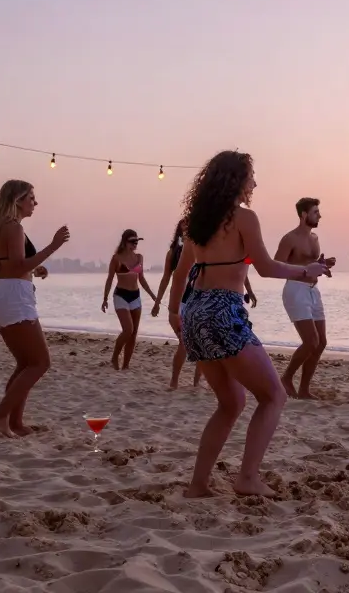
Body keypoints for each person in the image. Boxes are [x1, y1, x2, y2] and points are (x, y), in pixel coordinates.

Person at [168, 150, 327, 498]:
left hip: (195, 311)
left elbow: (180, 274)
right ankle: (248, 478)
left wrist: (174, 314)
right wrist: (306, 271)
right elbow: (267, 267)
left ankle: (198, 485)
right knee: (274, 396)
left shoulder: (196, 221)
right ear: (237, 181)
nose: (254, 182)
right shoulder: (243, 218)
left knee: (231, 403)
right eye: (251, 176)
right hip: (224, 310)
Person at [0, 179, 70, 438]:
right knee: (40, 362)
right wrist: (54, 246)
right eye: (31, 197)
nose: (35, 202)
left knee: (25, 362)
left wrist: (34, 269)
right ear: (17, 200)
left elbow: (14, 265)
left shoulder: (4, 227)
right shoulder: (14, 228)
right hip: (13, 298)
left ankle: (15, 423)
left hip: (3, 294)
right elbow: (18, 266)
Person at [276, 197, 336, 399]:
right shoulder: (289, 238)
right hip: (295, 290)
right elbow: (277, 266)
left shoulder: (315, 238)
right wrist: (305, 270)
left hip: (313, 290)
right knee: (310, 341)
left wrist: (323, 265)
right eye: (315, 212)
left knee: (321, 342)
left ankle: (304, 389)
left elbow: (310, 263)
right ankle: (286, 378)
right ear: (303, 215)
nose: (319, 215)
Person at [154, 219, 202, 389]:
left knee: (201, 343)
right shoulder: (173, 253)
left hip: (198, 299)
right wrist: (157, 302)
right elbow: (166, 278)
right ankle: (174, 380)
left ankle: (197, 383)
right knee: (184, 343)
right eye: (184, 226)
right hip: (181, 303)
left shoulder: (200, 247)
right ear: (179, 231)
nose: (187, 228)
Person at [102, 229, 158, 370]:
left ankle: (126, 366)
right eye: (132, 242)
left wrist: (153, 296)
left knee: (133, 334)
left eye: (137, 242)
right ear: (125, 242)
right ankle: (115, 356)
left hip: (135, 296)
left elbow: (142, 279)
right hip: (121, 295)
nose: (135, 244)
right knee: (128, 329)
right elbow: (109, 279)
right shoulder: (117, 258)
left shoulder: (139, 257)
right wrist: (105, 299)